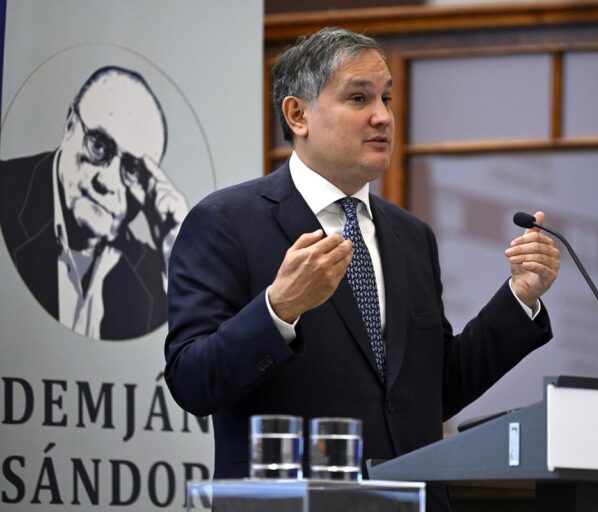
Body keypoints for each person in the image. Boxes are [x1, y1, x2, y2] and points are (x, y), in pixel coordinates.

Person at [164, 28, 560, 511]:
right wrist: (278, 310)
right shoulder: (226, 222)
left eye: (386, 98)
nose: (383, 116)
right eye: (358, 98)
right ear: (297, 114)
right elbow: (191, 381)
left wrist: (519, 298)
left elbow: (430, 392)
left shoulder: (411, 236)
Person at [0, 66, 188, 340]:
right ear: (70, 125)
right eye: (98, 147)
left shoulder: (152, 275)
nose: (107, 181)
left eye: (132, 169)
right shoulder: (6, 190)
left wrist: (175, 246)